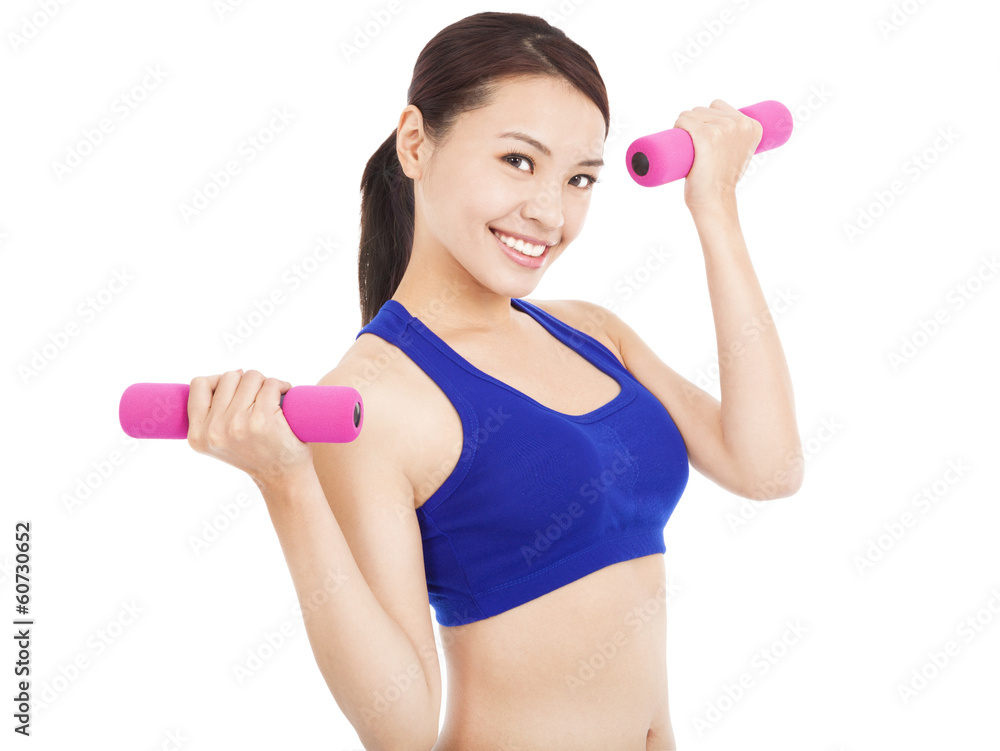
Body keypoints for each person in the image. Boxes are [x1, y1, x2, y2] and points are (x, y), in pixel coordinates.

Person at [185, 11, 803, 751]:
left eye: (580, 178)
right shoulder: (374, 398)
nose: (549, 211)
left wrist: (716, 207)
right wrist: (288, 484)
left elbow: (768, 467)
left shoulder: (592, 332)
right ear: (416, 142)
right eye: (518, 160)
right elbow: (402, 727)